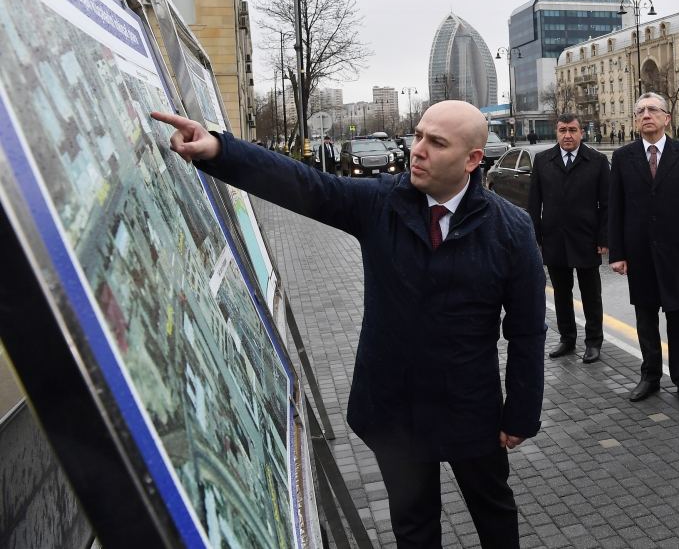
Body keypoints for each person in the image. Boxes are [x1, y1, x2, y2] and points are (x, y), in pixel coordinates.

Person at [152, 100, 546, 549]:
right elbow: (307, 185)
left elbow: (528, 330)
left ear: (473, 159)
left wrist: (521, 413)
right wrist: (220, 151)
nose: (417, 150)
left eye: (436, 143)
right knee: (414, 529)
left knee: (495, 517)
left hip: (470, 409)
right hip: (395, 411)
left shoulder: (510, 229)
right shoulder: (382, 203)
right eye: (417, 136)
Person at [608, 92, 679, 405]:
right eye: (640, 110)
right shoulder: (623, 157)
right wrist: (617, 253)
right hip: (639, 253)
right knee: (645, 317)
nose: (646, 114)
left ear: (667, 118)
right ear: (635, 120)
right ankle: (650, 376)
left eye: (653, 109)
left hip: (677, 252)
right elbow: (616, 208)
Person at [528, 114, 610, 365]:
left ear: (581, 133)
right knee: (561, 293)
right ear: (556, 133)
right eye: (562, 130)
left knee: (590, 294)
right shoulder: (543, 161)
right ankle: (567, 338)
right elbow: (534, 204)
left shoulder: (596, 161)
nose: (567, 135)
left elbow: (607, 205)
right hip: (554, 237)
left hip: (586, 237)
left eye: (572, 130)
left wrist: (604, 237)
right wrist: (535, 237)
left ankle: (594, 342)